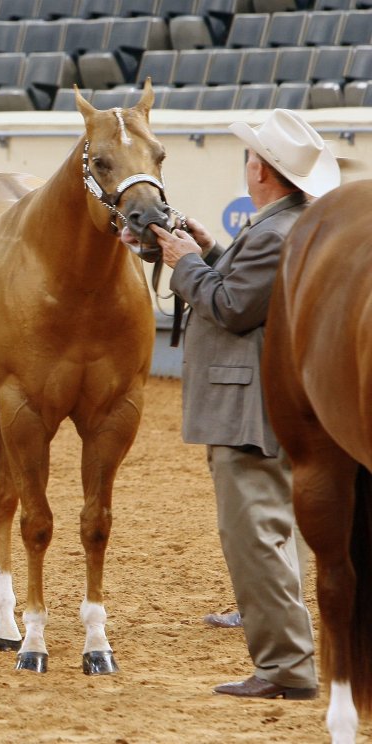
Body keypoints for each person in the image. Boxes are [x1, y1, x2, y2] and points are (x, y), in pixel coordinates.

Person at [131, 108, 339, 700]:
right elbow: (247, 288)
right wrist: (210, 248)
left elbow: (230, 306)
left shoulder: (276, 231)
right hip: (273, 404)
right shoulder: (288, 224)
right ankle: (289, 662)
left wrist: (184, 262)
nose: (246, 164)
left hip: (250, 412)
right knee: (272, 535)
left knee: (255, 540)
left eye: (251, 157)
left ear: (263, 171)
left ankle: (284, 668)